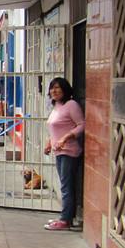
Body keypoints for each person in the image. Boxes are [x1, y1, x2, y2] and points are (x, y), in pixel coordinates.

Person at [43, 77, 85, 231]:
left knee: (66, 186)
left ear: (65, 89)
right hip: (59, 151)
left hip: (69, 151)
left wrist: (66, 138)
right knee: (64, 185)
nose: (54, 91)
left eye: (58, 88)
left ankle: (66, 220)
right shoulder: (57, 106)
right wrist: (49, 143)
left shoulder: (71, 105)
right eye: (52, 88)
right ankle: (65, 216)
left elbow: (82, 125)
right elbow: (56, 129)